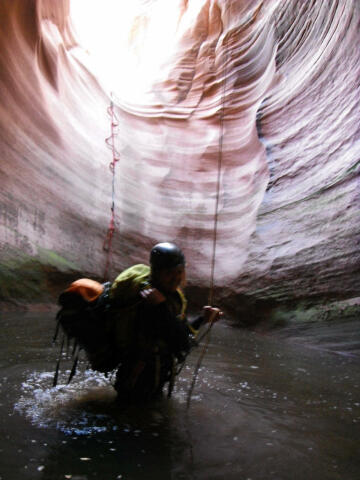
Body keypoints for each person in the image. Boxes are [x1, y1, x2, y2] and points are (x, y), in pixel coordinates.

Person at [109, 242, 221, 403]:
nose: (175, 278)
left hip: (153, 374)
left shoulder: (168, 297)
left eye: (179, 272)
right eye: (169, 273)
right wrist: (160, 306)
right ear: (156, 272)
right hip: (138, 378)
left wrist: (203, 319)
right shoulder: (148, 298)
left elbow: (180, 332)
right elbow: (180, 343)